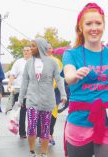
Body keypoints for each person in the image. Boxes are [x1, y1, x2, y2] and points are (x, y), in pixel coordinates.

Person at [62, 3, 108, 157]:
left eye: (98, 23)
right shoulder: (71, 54)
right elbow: (68, 76)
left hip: (105, 121)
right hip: (79, 122)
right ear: (81, 28)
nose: (94, 27)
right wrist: (74, 75)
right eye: (89, 24)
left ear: (103, 26)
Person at [18, 38, 67, 157]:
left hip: (47, 100)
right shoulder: (29, 63)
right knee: (31, 127)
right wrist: (20, 98)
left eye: (33, 46)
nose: (31, 49)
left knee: (45, 128)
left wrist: (63, 94)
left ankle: (44, 153)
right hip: (32, 100)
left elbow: (59, 79)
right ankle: (31, 152)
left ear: (40, 47)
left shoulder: (52, 62)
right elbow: (25, 81)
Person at [7, 46, 32, 139]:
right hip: (20, 89)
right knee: (22, 111)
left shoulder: (35, 61)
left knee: (32, 111)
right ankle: (22, 132)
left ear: (31, 51)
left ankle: (32, 131)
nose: (25, 52)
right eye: (24, 50)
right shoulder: (18, 62)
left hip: (32, 91)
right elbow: (12, 74)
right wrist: (9, 83)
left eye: (27, 50)